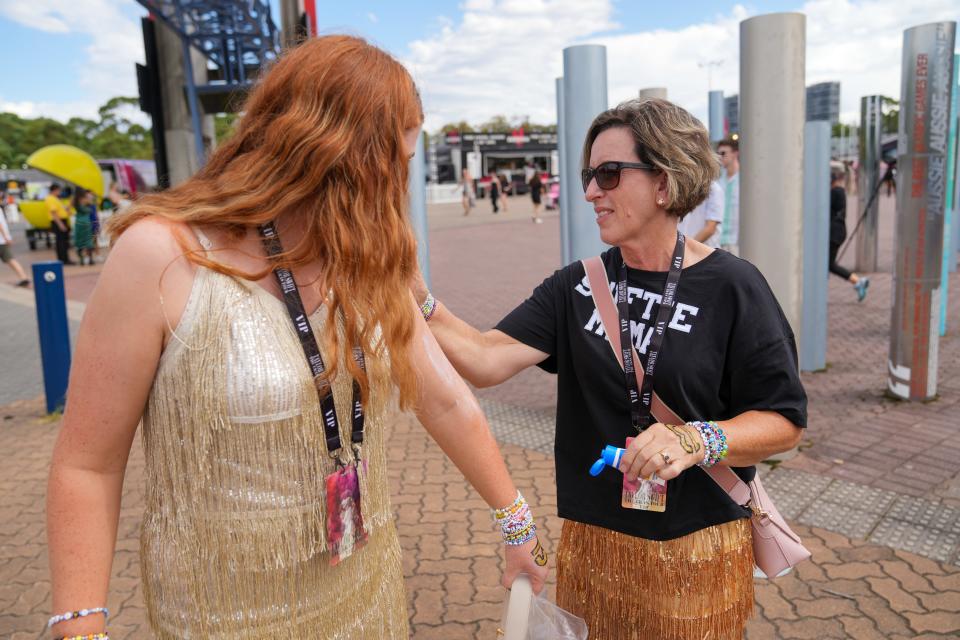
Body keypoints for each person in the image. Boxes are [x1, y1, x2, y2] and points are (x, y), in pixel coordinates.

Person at [46, 35, 547, 640]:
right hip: (223, 612)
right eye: (394, 163)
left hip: (365, 592)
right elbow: (88, 464)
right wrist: (80, 624)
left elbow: (446, 399)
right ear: (329, 150)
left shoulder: (366, 256)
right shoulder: (162, 255)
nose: (397, 187)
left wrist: (517, 525)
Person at [414, 98, 806, 639]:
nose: (590, 191)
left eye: (608, 174)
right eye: (589, 175)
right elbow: (483, 358)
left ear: (664, 182)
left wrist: (695, 440)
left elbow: (784, 422)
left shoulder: (735, 287)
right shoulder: (577, 284)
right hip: (595, 547)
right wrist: (418, 298)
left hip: (694, 552)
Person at [828, 167, 869, 301]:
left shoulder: (834, 193)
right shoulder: (840, 192)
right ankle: (857, 281)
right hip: (838, 232)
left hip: (834, 233)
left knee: (829, 265)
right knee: (829, 264)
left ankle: (858, 281)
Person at [677, 179, 723, 246]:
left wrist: (686, 247)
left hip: (704, 250)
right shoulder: (683, 186)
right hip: (684, 249)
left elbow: (710, 228)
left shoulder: (714, 189)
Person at [0, 192, 30, 287]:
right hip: (3, 240)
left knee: (10, 259)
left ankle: (24, 278)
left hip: (1, 240)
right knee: (10, 259)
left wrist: (5, 237)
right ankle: (23, 277)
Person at [717, 137, 739, 256]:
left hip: (739, 241)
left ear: (735, 153)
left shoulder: (745, 181)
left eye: (723, 153)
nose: (720, 157)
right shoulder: (718, 182)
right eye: (718, 153)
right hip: (719, 242)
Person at [45, 183, 74, 265]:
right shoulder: (50, 199)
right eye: (59, 190)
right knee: (61, 242)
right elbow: (53, 213)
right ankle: (63, 259)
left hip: (62, 220)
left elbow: (64, 209)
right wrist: (60, 224)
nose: (60, 192)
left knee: (64, 241)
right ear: (55, 190)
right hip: (58, 221)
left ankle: (65, 258)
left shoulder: (56, 198)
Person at [72, 188, 97, 265]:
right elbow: (92, 206)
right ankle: (90, 259)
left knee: (79, 241)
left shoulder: (74, 200)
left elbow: (68, 208)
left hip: (78, 222)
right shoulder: (85, 199)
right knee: (88, 240)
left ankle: (81, 260)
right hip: (86, 222)